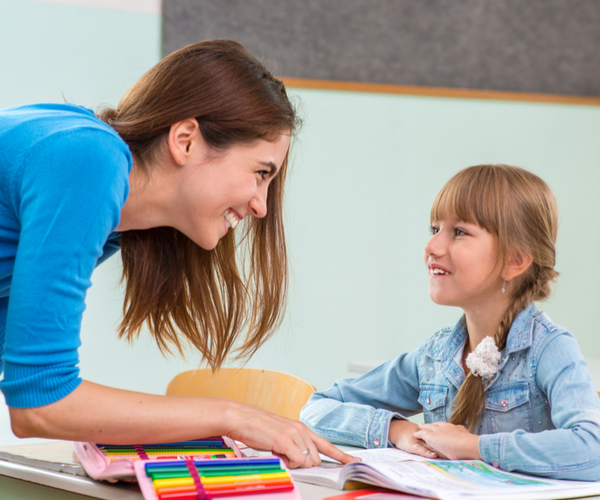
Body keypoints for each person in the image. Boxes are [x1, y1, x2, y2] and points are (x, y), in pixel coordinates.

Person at [0, 39, 354, 468]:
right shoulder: (88, 160)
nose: (261, 205)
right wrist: (232, 415)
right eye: (261, 173)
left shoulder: (109, 207)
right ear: (185, 140)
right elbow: (40, 402)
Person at [300, 164, 600, 480]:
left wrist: (473, 446)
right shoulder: (434, 356)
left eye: (459, 232)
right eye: (435, 230)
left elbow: (592, 450)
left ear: (515, 261)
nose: (432, 247)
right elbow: (316, 410)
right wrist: (397, 429)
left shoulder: (549, 349)